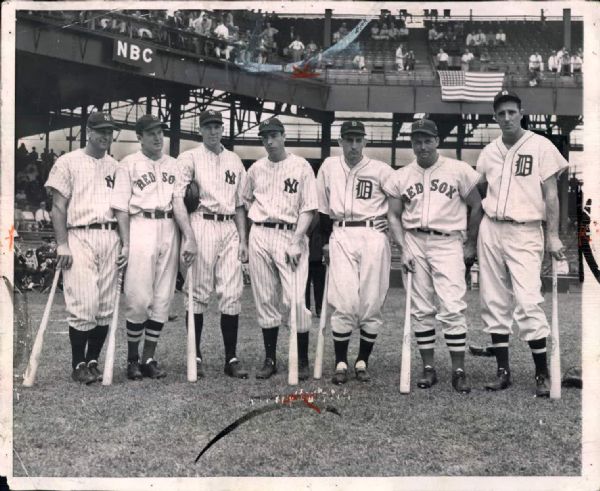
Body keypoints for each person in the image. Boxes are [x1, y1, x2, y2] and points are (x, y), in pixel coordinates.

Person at [476, 90, 568, 397]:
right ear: (495, 117)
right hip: (491, 228)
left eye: (511, 112)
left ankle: (541, 373)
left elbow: (551, 195)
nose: (506, 118)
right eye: (501, 114)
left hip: (525, 229)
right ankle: (503, 372)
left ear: (521, 112)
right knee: (493, 300)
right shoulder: (489, 151)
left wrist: (553, 235)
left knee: (528, 301)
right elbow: (478, 191)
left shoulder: (541, 145)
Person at [385, 119, 483, 394]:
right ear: (412, 144)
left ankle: (459, 370)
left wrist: (470, 244)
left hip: (448, 240)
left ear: (437, 141)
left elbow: (477, 206)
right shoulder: (401, 175)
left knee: (452, 305)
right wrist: (403, 247)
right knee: (421, 308)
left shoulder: (458, 170)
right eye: (417, 141)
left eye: (428, 140)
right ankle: (429, 369)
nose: (423, 145)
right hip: (414, 239)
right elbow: (393, 214)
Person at [44, 112, 124, 384]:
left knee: (103, 305)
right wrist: (62, 243)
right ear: (88, 131)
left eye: (109, 131)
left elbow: (122, 210)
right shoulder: (67, 162)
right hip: (79, 234)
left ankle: (92, 360)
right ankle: (78, 363)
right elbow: (58, 207)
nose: (105, 136)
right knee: (83, 303)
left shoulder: (116, 166)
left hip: (109, 235)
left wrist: (125, 243)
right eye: (100, 130)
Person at [174, 110, 250, 379]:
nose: (213, 131)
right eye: (208, 126)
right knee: (198, 292)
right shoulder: (189, 157)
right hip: (201, 221)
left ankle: (231, 357)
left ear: (222, 128)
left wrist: (243, 239)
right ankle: (195, 354)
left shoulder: (234, 160)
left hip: (229, 224)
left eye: (217, 126)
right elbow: (177, 200)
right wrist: (189, 236)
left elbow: (240, 204)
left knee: (232, 294)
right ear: (200, 130)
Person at [316, 121, 393, 385]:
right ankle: (340, 361)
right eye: (348, 140)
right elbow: (323, 210)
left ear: (365, 142)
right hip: (341, 233)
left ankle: (362, 361)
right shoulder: (328, 167)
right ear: (340, 142)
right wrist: (325, 241)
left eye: (358, 139)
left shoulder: (381, 169)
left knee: (371, 303)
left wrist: (392, 222)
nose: (354, 145)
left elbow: (402, 198)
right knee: (344, 301)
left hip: (372, 234)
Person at [242, 117, 317, 381]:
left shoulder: (301, 166)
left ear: (284, 136)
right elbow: (245, 201)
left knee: (296, 300)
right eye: (265, 137)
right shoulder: (255, 169)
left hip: (290, 235)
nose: (270, 141)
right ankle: (270, 358)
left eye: (274, 135)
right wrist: (246, 237)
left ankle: (303, 359)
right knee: (265, 299)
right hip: (260, 232)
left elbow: (309, 207)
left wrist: (297, 240)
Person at [110, 114, 179, 380]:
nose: (158, 137)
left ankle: (149, 358)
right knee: (138, 298)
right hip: (141, 224)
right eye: (151, 133)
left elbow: (182, 203)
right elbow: (121, 209)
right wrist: (126, 242)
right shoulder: (128, 164)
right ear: (139, 137)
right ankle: (131, 359)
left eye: (160, 132)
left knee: (162, 298)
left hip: (168, 226)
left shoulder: (173, 164)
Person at [305, 214, 326, 317]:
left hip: (318, 253)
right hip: (304, 252)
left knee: (319, 285)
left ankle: (320, 308)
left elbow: (327, 232)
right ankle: (305, 308)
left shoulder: (322, 213)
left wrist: (324, 252)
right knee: (304, 285)